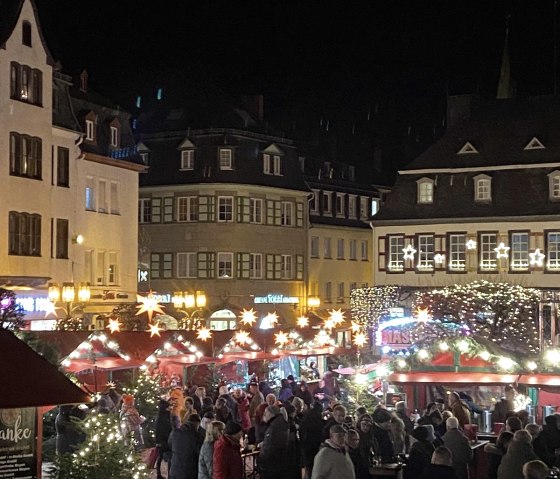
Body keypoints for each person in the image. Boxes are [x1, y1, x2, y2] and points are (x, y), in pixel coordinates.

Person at [168, 413, 204, 479]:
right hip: (189, 471)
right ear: (197, 423)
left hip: (175, 468)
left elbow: (170, 445)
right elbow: (200, 452)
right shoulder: (196, 436)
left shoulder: (175, 432)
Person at [259, 405, 290, 479]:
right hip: (279, 462)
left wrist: (261, 460)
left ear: (271, 414)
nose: (264, 416)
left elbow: (270, 448)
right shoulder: (281, 423)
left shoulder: (274, 427)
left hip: (271, 465)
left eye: (266, 413)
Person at [300, 401, 325, 479]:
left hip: (306, 446)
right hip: (316, 446)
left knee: (308, 468)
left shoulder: (306, 416)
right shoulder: (319, 419)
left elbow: (301, 430)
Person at [155, 399, 172, 479]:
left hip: (162, 440)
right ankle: (168, 474)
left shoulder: (162, 416)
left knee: (161, 457)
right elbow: (164, 429)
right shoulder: (163, 419)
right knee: (168, 457)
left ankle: (160, 474)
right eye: (168, 407)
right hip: (165, 440)